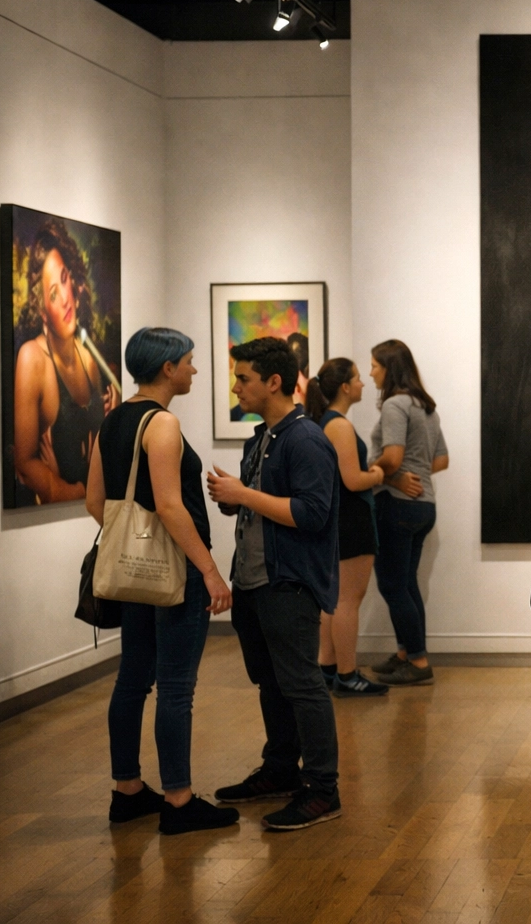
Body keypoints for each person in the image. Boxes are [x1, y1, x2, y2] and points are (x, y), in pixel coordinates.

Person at [88, 327, 238, 835]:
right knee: (176, 686)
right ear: (168, 367)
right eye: (191, 362)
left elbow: (97, 504)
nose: (195, 370)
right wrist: (210, 569)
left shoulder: (112, 423)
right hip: (177, 574)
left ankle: (127, 790)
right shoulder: (163, 423)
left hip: (136, 579)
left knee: (133, 678)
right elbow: (172, 507)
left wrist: (135, 549)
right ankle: (178, 800)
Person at [206, 336, 344, 830]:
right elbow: (262, 504)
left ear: (274, 382)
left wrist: (243, 493)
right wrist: (234, 498)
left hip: (289, 584)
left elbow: (312, 514)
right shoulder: (260, 438)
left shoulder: (306, 440)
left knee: (303, 686)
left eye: (243, 378)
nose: (236, 387)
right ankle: (281, 769)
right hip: (255, 583)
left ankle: (323, 790)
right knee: (272, 683)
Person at [13, 219, 119, 504]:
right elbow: (24, 461)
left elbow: (102, 449)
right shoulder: (32, 359)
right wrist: (72, 492)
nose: (65, 299)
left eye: (64, 278)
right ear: (42, 310)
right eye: (51, 293)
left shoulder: (89, 359)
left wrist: (113, 417)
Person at [367, 339, 448, 687]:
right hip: (423, 506)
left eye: (374, 365)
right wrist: (408, 474)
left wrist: (374, 468)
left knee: (393, 586)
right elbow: (441, 461)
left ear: (389, 368)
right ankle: (406, 652)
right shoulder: (425, 407)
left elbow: (393, 457)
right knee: (406, 584)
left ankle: (417, 661)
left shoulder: (396, 405)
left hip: (396, 506)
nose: (370, 372)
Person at [305, 358, 388, 697]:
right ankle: (347, 673)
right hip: (351, 520)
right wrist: (379, 474)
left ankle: (328, 666)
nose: (363, 383)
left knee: (336, 599)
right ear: (344, 387)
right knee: (348, 600)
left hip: (341, 521)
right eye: (357, 378)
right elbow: (352, 480)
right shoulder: (338, 425)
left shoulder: (328, 422)